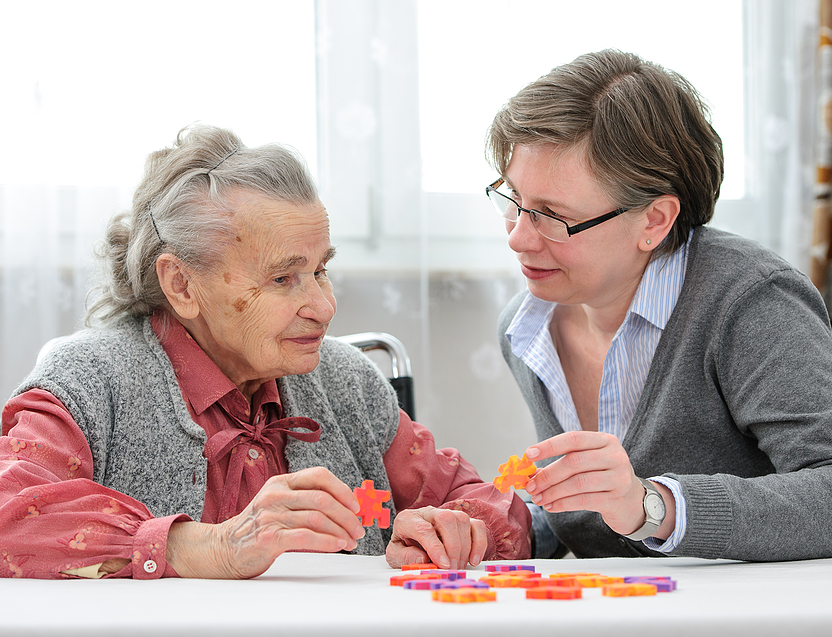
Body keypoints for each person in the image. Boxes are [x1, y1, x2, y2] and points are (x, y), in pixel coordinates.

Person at [0, 124, 530, 579]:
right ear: (182, 284)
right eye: (283, 278)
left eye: (321, 269)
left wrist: (454, 531)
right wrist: (208, 547)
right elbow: (9, 511)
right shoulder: (90, 380)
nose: (323, 307)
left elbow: (498, 508)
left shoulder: (345, 382)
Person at [485, 49, 832, 560]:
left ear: (654, 221)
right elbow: (594, 518)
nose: (519, 238)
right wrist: (493, 530)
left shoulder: (750, 302)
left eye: (552, 216)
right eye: (513, 200)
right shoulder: (526, 327)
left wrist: (654, 506)